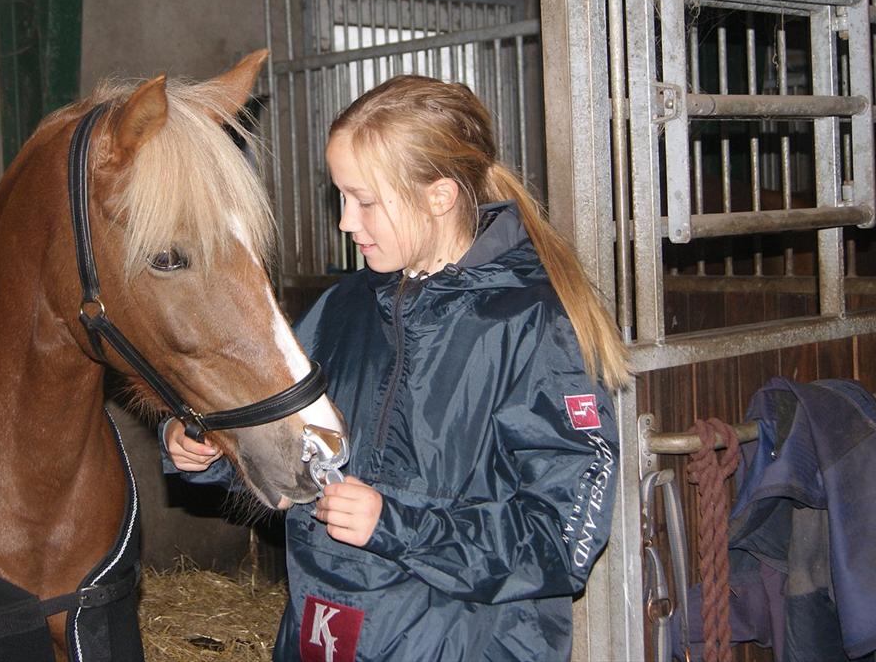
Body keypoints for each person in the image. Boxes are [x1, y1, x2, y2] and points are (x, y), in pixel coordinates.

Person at [162, 75, 629, 661]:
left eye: (365, 200)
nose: (344, 222)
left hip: (460, 644)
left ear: (439, 196)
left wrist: (399, 526)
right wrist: (210, 451)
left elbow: (562, 538)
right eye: (340, 197)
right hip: (325, 635)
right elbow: (289, 456)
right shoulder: (343, 309)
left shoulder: (535, 325)